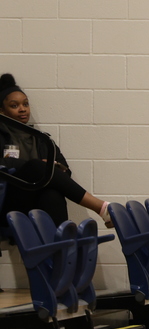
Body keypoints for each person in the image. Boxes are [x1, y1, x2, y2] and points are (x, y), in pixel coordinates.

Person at [0, 73, 112, 228]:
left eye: (25, 104)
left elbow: (65, 172)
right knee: (36, 167)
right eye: (14, 105)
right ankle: (101, 207)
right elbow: (5, 164)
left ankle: (61, 247)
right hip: (7, 201)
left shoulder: (41, 139)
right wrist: (39, 166)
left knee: (53, 194)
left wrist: (56, 167)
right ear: (2, 111)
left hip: (34, 202)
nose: (22, 109)